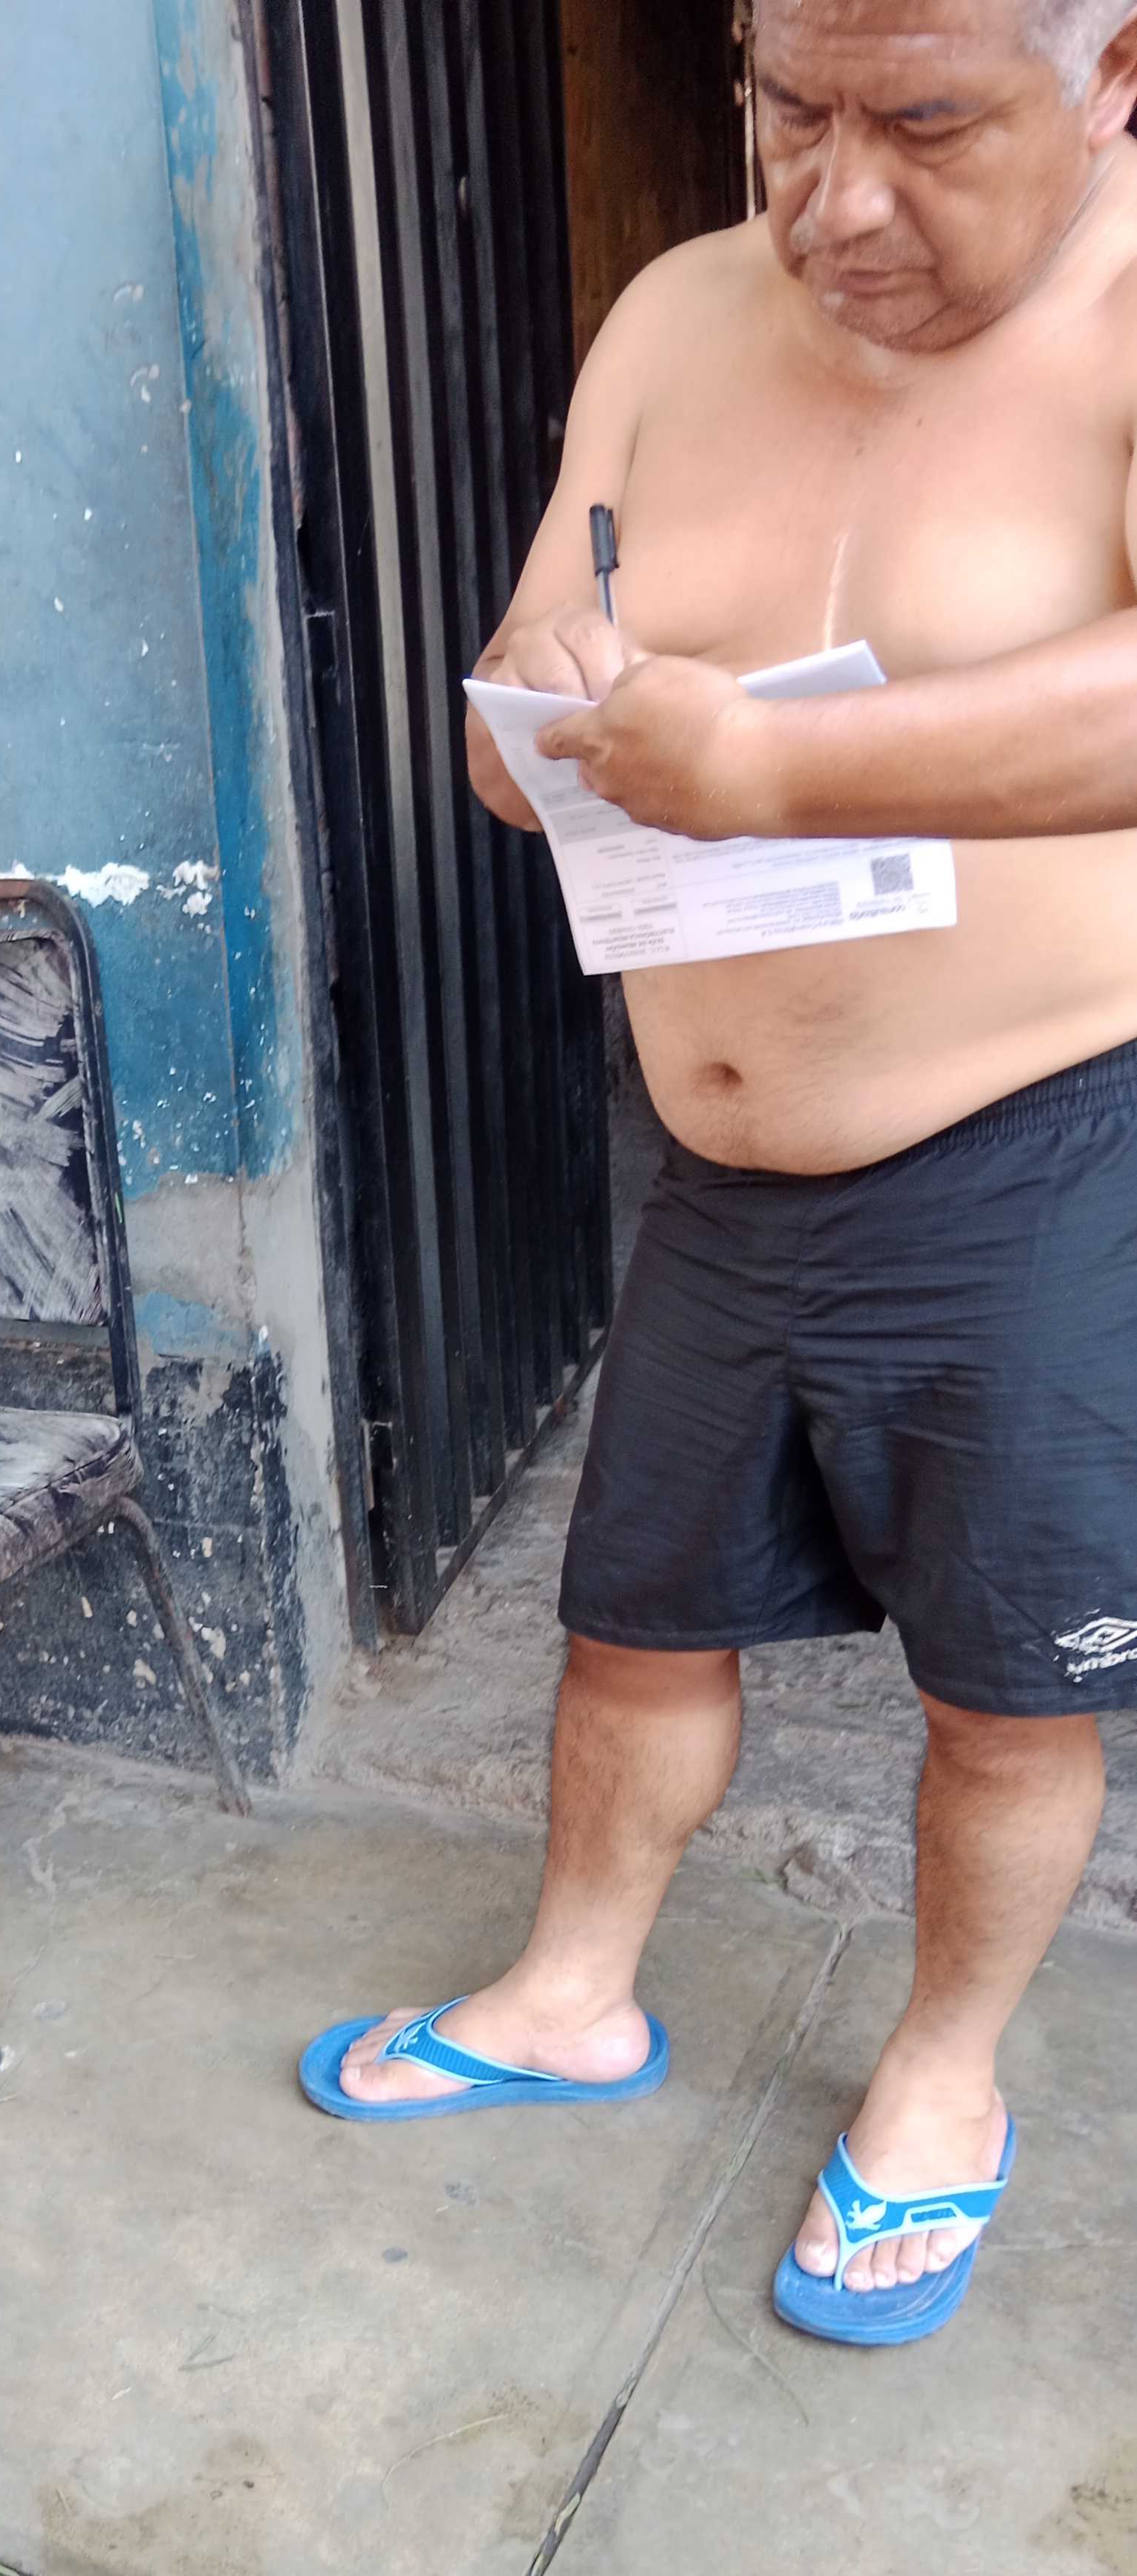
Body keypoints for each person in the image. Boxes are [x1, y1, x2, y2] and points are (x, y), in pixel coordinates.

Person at [299, 0, 1137, 2344]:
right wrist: (537, 693)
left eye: (925, 121)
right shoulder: (676, 311)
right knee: (635, 1617)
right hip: (716, 1152)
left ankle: (942, 2081)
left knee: (1004, 1689)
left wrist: (782, 772)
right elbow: (537, 625)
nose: (836, 200)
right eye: (786, 111)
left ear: (1109, 75)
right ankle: (571, 1990)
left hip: (1029, 1142)